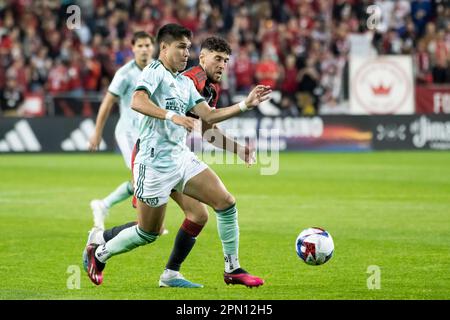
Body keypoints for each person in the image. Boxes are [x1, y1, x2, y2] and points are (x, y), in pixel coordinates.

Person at [84, 24, 271, 287]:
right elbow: (137, 101)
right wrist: (173, 116)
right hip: (153, 160)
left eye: (226, 60)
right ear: (165, 48)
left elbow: (207, 121)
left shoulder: (186, 83)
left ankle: (232, 269)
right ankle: (100, 250)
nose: (186, 53)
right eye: (182, 47)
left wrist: (245, 107)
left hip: (179, 156)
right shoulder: (158, 71)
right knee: (148, 232)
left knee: (224, 204)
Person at [87, 31, 156, 230]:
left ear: (153, 47)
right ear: (133, 48)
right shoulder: (125, 74)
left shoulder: (157, 70)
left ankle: (103, 204)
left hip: (147, 134)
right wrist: (97, 132)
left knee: (145, 179)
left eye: (147, 45)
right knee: (140, 179)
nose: (144, 49)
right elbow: (108, 103)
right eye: (140, 46)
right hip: (128, 133)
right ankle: (147, 224)